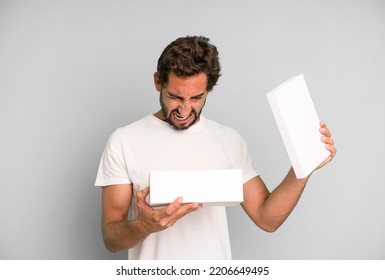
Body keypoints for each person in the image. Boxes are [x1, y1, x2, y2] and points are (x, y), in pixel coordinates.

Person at [95, 35, 336, 260]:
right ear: (158, 82)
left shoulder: (228, 140)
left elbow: (266, 218)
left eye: (196, 98)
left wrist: (304, 167)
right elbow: (111, 238)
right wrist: (145, 225)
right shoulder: (124, 140)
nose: (185, 110)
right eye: (176, 97)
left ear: (208, 89)